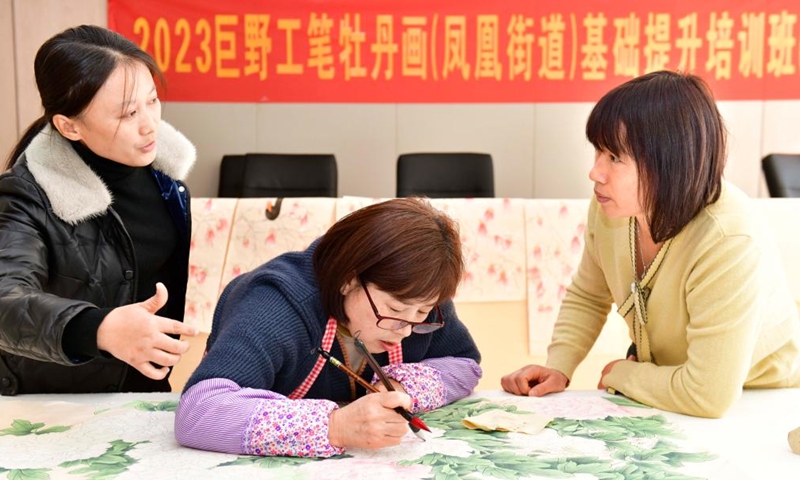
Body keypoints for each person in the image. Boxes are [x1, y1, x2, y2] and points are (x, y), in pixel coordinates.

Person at [501, 70, 800, 418]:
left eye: (614, 157)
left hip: (761, 397)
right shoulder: (610, 207)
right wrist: (559, 367)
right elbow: (588, 294)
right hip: (674, 387)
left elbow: (710, 396)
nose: (595, 172)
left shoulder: (728, 238)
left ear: (668, 164)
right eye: (598, 152)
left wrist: (624, 374)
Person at [175, 198, 482, 457]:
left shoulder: (417, 297)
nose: (406, 329)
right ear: (349, 278)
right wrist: (335, 427)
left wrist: (401, 388)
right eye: (395, 310)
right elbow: (198, 412)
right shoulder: (274, 304)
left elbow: (465, 364)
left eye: (423, 312)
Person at [0, 25, 198, 395]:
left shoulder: (166, 181)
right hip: (56, 402)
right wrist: (99, 329)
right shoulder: (25, 196)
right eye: (127, 114)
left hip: (140, 389)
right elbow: (4, 301)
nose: (149, 125)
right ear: (69, 126)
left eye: (152, 101)